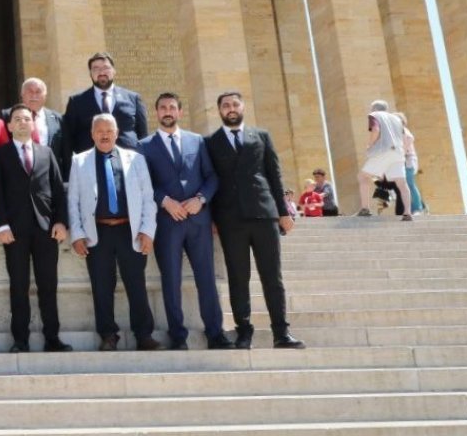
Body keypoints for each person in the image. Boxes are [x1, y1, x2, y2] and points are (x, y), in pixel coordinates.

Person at [205, 91, 305, 350]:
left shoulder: (261, 136)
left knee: (273, 276)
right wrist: (213, 218)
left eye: (235, 104)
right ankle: (244, 332)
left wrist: (284, 212)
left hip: (264, 214)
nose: (231, 109)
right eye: (225, 105)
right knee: (238, 278)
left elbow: (274, 174)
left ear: (243, 107)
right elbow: (210, 180)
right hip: (230, 219)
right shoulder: (210, 142)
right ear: (219, 111)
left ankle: (281, 332)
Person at [137, 93, 232, 350]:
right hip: (167, 223)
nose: (168, 111)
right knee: (171, 280)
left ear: (180, 111)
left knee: (206, 278)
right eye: (163, 108)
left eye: (172, 107)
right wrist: (164, 200)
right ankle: (178, 336)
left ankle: (215, 333)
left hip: (198, 220)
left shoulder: (197, 141)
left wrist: (201, 199)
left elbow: (211, 177)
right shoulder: (144, 145)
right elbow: (144, 183)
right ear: (156, 113)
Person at [69, 114, 160, 351]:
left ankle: (143, 335)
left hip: (129, 231)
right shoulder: (79, 162)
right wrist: (77, 234)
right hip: (97, 232)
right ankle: (108, 335)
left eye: (109, 130)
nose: (104, 135)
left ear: (117, 133)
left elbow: (149, 199)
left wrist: (147, 231)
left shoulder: (136, 160)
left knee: (136, 284)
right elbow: (73, 201)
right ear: (92, 134)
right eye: (99, 131)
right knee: (101, 286)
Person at [0, 104, 72, 353]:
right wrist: (1, 225)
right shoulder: (0, 155)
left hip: (46, 229)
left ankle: (52, 338)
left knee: (49, 285)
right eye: (17, 119)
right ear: (10, 126)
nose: (23, 122)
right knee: (18, 286)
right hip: (14, 230)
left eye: (27, 119)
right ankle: (20, 340)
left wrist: (61, 221)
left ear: (33, 124)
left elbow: (58, 190)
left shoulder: (46, 153)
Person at [61, 53, 149, 180]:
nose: (101, 72)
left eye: (106, 68)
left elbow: (143, 136)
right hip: (90, 169)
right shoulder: (76, 102)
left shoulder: (133, 99)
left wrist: (144, 166)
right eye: (96, 69)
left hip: (129, 168)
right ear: (90, 74)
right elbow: (68, 140)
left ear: (114, 71)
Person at [356, 100, 412, 221]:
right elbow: (406, 137)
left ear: (375, 108)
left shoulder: (374, 115)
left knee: (363, 177)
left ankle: (365, 209)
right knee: (402, 183)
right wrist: (403, 150)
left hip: (383, 150)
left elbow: (375, 130)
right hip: (398, 152)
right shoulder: (396, 119)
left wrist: (370, 145)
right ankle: (407, 212)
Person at [10, 78, 65, 167]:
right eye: (30, 91)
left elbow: (65, 150)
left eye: (38, 92)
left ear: (45, 95)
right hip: (18, 171)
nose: (34, 95)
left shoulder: (58, 118)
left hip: (50, 172)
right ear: (22, 94)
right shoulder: (8, 115)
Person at [398, 113, 426, 214]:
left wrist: (402, 152)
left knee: (410, 184)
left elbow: (409, 140)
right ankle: (416, 208)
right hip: (404, 161)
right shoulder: (399, 132)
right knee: (406, 185)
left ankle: (418, 208)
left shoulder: (405, 131)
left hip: (408, 161)